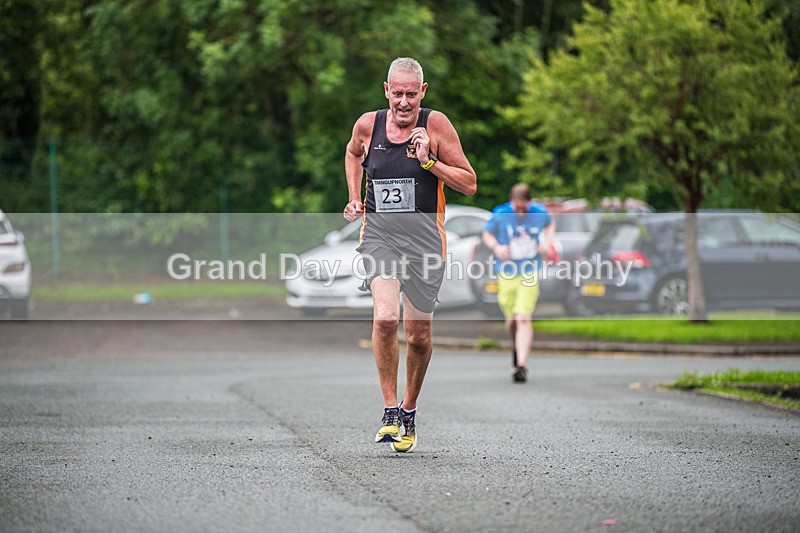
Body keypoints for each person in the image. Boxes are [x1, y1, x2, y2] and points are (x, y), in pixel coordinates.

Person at [342, 57, 477, 452]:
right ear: (386, 91)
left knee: (418, 335)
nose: (404, 102)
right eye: (397, 93)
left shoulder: (436, 126)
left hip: (425, 246)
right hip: (381, 237)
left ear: (423, 92)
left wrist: (430, 162)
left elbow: (469, 183)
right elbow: (352, 154)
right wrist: (354, 198)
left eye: (411, 95)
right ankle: (388, 411)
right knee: (385, 317)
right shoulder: (368, 125)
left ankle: (409, 410)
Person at [482, 183, 554, 383]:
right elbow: (487, 234)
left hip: (530, 272)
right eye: (517, 207)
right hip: (506, 272)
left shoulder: (539, 212)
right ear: (512, 201)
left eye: (524, 208)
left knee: (523, 317)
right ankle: (516, 346)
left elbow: (550, 224)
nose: (520, 212)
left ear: (529, 202)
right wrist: (496, 247)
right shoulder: (501, 212)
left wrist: (547, 243)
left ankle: (521, 365)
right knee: (512, 320)